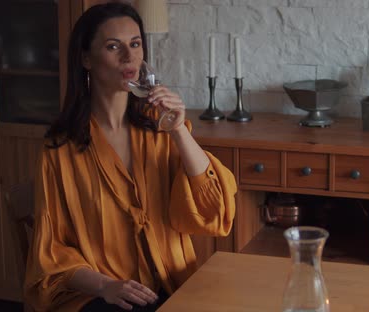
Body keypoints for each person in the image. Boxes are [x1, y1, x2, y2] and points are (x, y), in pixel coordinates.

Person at [23, 3, 237, 311]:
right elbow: (51, 250)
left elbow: (214, 211)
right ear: (86, 58)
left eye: (135, 44)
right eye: (114, 46)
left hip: (170, 283)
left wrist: (178, 130)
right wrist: (105, 286)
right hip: (99, 294)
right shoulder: (59, 150)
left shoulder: (159, 128)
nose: (129, 57)